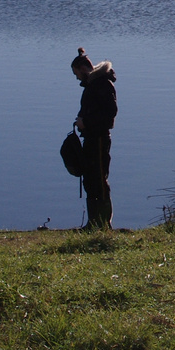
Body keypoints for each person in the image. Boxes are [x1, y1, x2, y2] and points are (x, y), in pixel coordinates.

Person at [71, 47, 117, 229]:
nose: (76, 78)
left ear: (83, 69)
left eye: (76, 74)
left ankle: (104, 223)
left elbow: (110, 114)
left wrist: (86, 123)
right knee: (90, 179)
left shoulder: (103, 84)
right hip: (90, 138)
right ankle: (93, 223)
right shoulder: (93, 85)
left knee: (99, 178)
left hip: (99, 139)